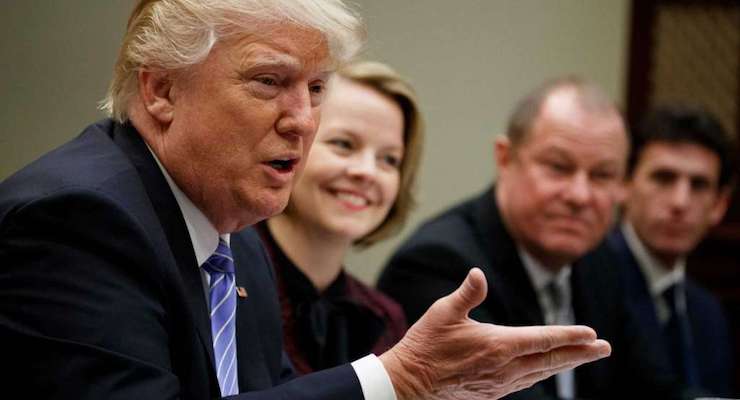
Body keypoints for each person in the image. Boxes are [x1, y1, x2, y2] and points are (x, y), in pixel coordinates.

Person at [0, 1, 611, 399]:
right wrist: (395, 379)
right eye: (269, 82)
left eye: (316, 89)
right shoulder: (78, 218)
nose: (302, 121)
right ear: (161, 89)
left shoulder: (235, 247)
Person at [379, 77, 697, 399]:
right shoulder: (439, 266)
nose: (579, 195)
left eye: (602, 175)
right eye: (558, 167)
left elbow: (654, 388)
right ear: (505, 158)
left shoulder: (599, 258)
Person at [256, 60, 421, 374]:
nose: (367, 172)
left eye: (389, 159)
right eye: (343, 144)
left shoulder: (385, 318)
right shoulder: (224, 279)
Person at [606, 105, 736, 396]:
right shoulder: (587, 281)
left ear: (719, 205)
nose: (680, 202)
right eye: (664, 178)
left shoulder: (708, 312)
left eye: (699, 185)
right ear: (625, 185)